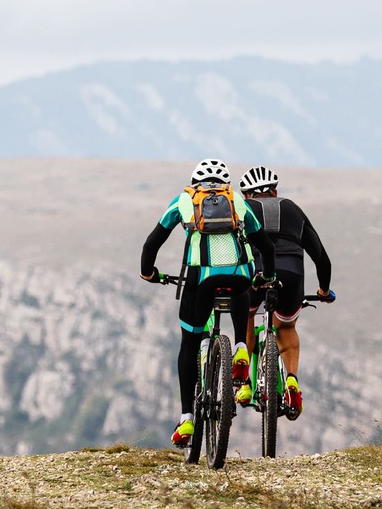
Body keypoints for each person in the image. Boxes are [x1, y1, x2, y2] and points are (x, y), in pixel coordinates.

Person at [140, 159, 277, 449]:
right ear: (225, 183)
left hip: (199, 281)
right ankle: (241, 347)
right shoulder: (238, 201)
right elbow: (266, 245)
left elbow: (152, 243)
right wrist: (268, 275)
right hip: (239, 279)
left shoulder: (183, 201)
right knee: (241, 285)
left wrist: (148, 272)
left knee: (189, 343)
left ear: (195, 182)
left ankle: (187, 416)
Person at [236, 165, 333, 418]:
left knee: (246, 315)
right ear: (275, 191)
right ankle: (291, 381)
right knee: (286, 328)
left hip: (256, 273)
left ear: (246, 195)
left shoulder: (244, 209)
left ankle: (245, 384)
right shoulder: (292, 208)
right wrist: (324, 290)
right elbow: (322, 259)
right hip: (292, 274)